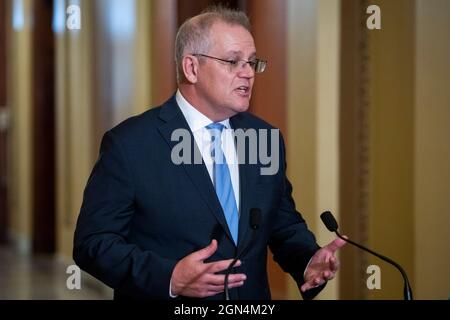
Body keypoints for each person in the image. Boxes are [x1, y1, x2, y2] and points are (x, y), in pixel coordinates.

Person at [73, 6, 345, 300]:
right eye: (232, 61)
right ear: (191, 68)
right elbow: (93, 243)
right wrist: (170, 278)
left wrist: (307, 260)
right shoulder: (130, 144)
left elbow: (282, 223)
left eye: (252, 62)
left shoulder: (265, 137)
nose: (247, 73)